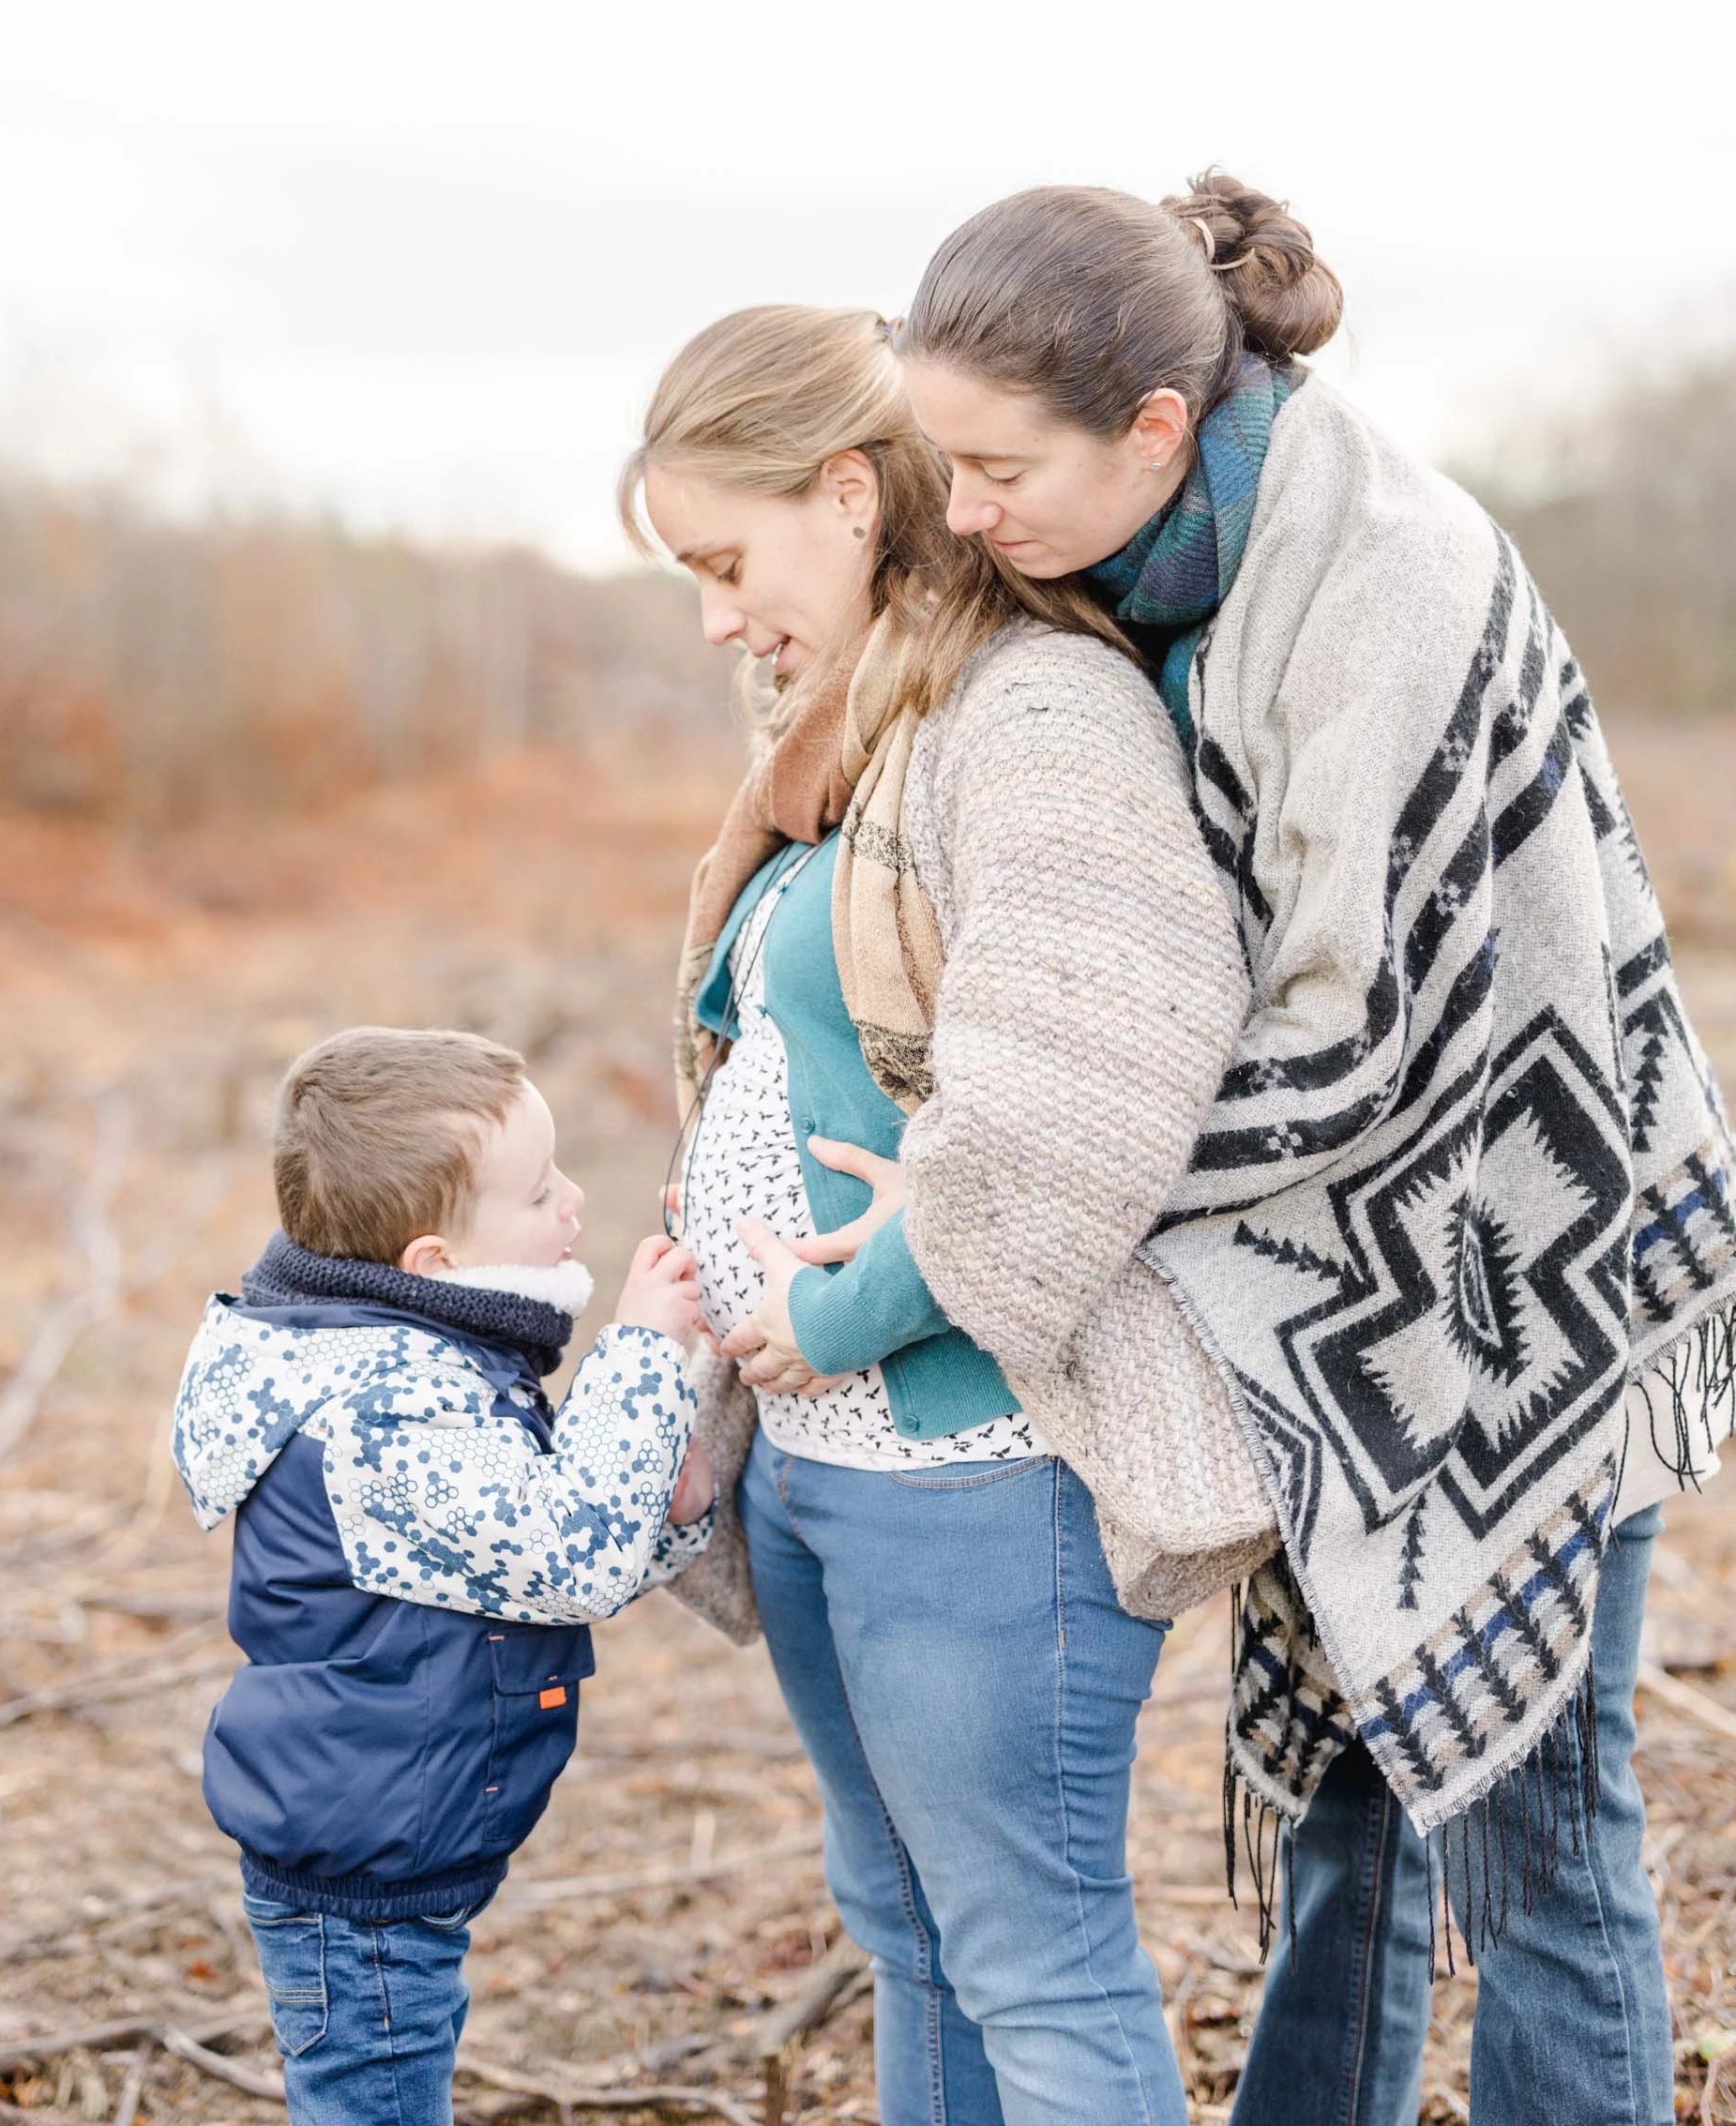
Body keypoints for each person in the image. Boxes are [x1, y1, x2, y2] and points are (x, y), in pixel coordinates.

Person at [881, 173, 1736, 2126]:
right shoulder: (1151, 578)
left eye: (998, 468)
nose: (967, 511)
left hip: (1526, 1264)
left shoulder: (1386, 580)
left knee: (1536, 1837)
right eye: (945, 464)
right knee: (1355, 1796)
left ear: (1152, 427)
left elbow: (1360, 1024)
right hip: (1332, 1285)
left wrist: (1047, 1175)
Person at [622, 305, 1271, 2126]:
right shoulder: (855, 736)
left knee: (1031, 1958)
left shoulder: (1034, 713)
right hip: (822, 1462)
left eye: (725, 563)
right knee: (908, 1934)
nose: (715, 620)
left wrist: (841, 1307)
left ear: (847, 494)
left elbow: (1088, 1093)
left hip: (976, 1466)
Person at [173, 1023, 714, 2126]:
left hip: (389, 1832)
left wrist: (673, 1514)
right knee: (375, 2100)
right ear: (434, 1262)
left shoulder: (405, 1350)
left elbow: (516, 1560)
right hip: (364, 1866)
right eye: (539, 1191)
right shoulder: (383, 1410)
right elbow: (572, 1558)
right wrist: (646, 1352)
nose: (573, 1201)